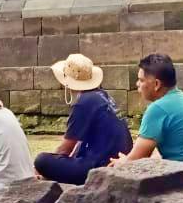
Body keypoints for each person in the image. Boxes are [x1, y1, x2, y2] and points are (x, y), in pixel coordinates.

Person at [34, 54, 131, 185]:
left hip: (99, 166)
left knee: (41, 161)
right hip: (113, 158)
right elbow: (78, 141)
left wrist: (45, 169)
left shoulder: (83, 102)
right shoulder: (103, 95)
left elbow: (65, 149)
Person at [112, 53, 183, 165]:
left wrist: (121, 162)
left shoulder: (157, 109)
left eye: (141, 80)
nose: (137, 84)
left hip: (179, 174)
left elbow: (135, 161)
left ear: (156, 84)